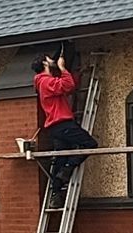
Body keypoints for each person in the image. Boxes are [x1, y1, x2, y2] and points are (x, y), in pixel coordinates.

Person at [32, 49, 97, 206]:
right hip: (63, 123)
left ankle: (56, 192)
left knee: (60, 158)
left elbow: (66, 86)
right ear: (44, 63)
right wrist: (62, 68)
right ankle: (67, 170)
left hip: (55, 127)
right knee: (90, 144)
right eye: (49, 58)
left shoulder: (44, 82)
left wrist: (78, 73)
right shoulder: (46, 81)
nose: (52, 59)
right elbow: (68, 86)